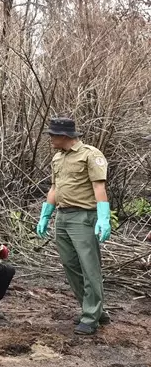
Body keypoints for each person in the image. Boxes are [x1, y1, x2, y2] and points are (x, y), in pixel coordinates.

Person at [36, 117, 111, 335]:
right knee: (70, 266)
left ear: (65, 136)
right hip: (63, 216)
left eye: (52, 135)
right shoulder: (58, 158)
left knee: (90, 267)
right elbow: (54, 188)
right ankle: (95, 309)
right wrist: (45, 215)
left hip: (83, 217)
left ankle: (90, 316)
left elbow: (99, 187)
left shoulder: (90, 155)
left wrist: (103, 217)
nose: (50, 138)